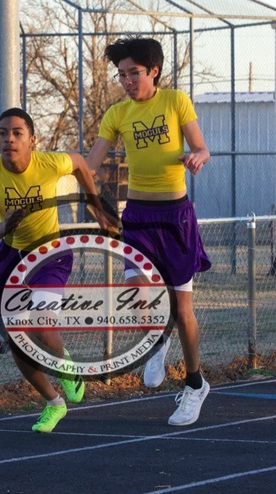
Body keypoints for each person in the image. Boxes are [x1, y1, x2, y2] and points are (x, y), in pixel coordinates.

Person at [86, 37, 212, 426]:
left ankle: (195, 384)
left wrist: (197, 156)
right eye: (121, 74)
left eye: (133, 73)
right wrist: (92, 199)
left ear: (153, 71)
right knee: (138, 293)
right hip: (138, 215)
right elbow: (89, 165)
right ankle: (158, 339)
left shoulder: (175, 101)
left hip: (175, 216)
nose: (127, 81)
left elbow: (202, 148)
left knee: (183, 310)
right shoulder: (117, 113)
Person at [0, 107, 112, 433]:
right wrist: (3, 227)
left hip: (51, 255)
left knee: (41, 323)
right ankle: (54, 402)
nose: (9, 139)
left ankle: (67, 368)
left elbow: (79, 163)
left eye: (17, 133)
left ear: (32, 140)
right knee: (16, 339)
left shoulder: (48, 163)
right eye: (2, 133)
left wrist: (95, 206)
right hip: (13, 257)